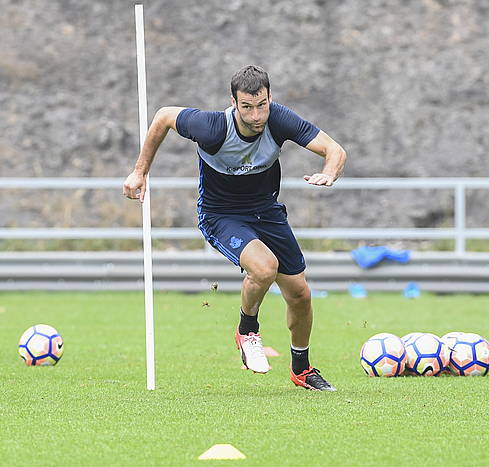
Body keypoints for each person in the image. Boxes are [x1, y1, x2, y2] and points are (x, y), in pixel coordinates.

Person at [123, 65, 346, 391]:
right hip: (221, 214)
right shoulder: (211, 127)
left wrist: (330, 171)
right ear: (233, 102)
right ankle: (247, 330)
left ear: (270, 98)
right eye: (247, 107)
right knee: (264, 267)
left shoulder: (279, 120)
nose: (256, 115)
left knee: (300, 295)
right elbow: (163, 117)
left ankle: (301, 369)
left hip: (267, 212)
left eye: (262, 105)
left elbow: (335, 150)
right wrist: (139, 172)